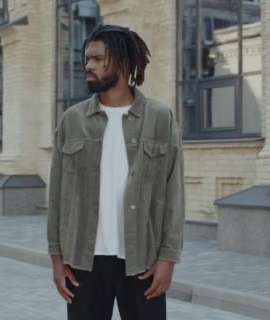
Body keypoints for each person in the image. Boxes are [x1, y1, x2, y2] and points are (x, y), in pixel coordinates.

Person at [47, 24, 185, 320]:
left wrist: (168, 259)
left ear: (122, 62)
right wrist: (57, 259)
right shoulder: (71, 121)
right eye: (87, 59)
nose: (88, 65)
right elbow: (57, 194)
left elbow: (174, 195)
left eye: (97, 59)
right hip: (83, 263)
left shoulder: (159, 118)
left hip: (142, 262)